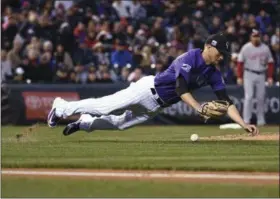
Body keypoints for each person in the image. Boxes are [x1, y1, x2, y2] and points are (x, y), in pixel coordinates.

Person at [47, 33, 259, 136]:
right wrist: (198, 107)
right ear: (208, 47)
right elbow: (181, 88)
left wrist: (243, 123)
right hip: (146, 90)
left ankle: (84, 123)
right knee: (106, 106)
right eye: (220, 52)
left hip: (156, 106)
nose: (222, 57)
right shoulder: (190, 58)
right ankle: (61, 107)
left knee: (119, 124)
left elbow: (226, 101)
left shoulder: (214, 73)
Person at [237, 29, 274, 126]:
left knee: (261, 98)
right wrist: (239, 76)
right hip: (249, 73)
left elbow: (270, 63)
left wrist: (270, 77)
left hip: (261, 74)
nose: (256, 38)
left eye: (257, 36)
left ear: (260, 37)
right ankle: (246, 120)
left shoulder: (265, 48)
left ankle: (261, 120)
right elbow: (240, 63)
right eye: (254, 36)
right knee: (248, 97)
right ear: (251, 37)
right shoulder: (246, 47)